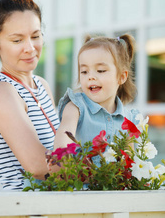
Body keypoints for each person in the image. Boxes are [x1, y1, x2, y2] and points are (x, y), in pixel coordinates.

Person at [0, 0, 60, 190]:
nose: (30, 48)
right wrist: (103, 173)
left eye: (35, 36)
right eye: (17, 40)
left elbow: (58, 150)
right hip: (25, 214)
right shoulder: (0, 92)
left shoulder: (42, 86)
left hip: (55, 209)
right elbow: (38, 166)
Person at [54, 34, 139, 163]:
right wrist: (66, 161)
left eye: (100, 70)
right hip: (78, 180)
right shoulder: (75, 107)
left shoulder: (127, 119)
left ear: (121, 77)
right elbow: (62, 143)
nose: (91, 77)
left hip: (110, 183)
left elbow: (130, 162)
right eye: (84, 71)